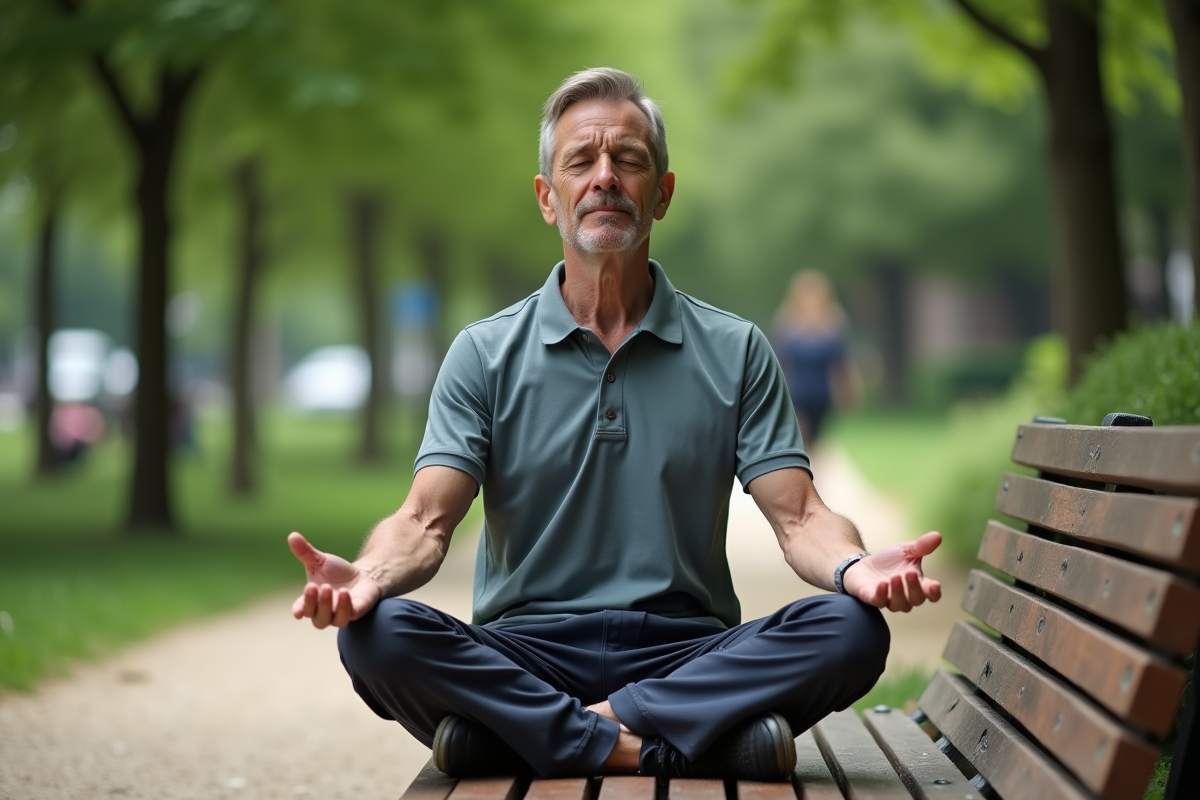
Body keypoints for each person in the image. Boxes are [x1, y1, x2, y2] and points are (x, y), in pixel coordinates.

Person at [288, 67, 942, 782]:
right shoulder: (483, 352)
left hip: (686, 650)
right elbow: (424, 521)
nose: (605, 177)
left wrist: (853, 567)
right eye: (581, 161)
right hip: (525, 653)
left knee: (849, 630)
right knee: (375, 636)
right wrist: (370, 579)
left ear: (660, 193)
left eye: (628, 160)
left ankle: (526, 738)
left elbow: (800, 517)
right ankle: (659, 741)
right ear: (549, 198)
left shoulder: (736, 349)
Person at [771, 270, 858, 449]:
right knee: (800, 437)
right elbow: (780, 360)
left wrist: (848, 391)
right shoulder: (786, 321)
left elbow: (841, 363)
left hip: (822, 392)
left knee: (817, 441)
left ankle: (813, 473)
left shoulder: (834, 322)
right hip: (796, 391)